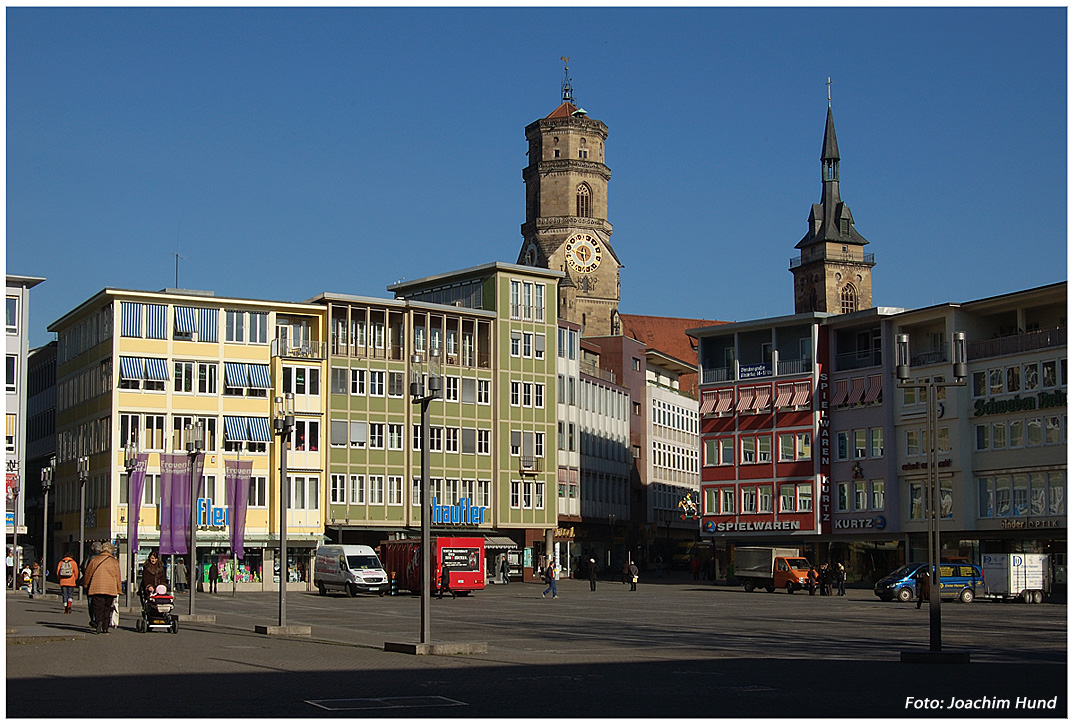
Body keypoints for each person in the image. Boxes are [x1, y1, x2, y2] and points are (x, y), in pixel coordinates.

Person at [82, 542, 122, 634]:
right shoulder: (114, 562)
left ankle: (98, 620)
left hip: (96, 587)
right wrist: (119, 589)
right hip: (110, 589)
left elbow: (88, 573)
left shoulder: (95, 560)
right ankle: (105, 626)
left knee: (97, 606)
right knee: (107, 608)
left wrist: (86, 584)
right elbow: (117, 577)